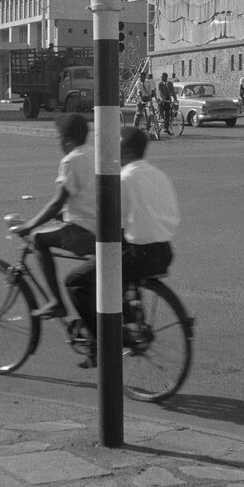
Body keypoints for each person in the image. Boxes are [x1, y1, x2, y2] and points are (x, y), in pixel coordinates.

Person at [66, 126, 180, 367]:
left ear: (125, 151)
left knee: (76, 282)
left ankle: (100, 343)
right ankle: (126, 317)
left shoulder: (125, 178)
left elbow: (111, 224)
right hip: (164, 251)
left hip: (138, 253)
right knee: (113, 275)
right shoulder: (158, 175)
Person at [16, 113, 96, 319]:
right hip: (100, 225)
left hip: (85, 231)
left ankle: (56, 302)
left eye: (58, 137)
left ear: (67, 140)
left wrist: (30, 225)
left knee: (38, 239)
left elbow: (57, 201)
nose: (57, 141)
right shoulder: (94, 153)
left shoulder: (71, 160)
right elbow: (85, 195)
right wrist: (63, 215)